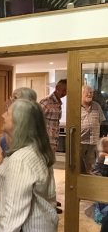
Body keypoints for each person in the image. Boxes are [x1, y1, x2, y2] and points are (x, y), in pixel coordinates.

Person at [0, 99, 58, 232]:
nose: (2, 115)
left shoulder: (21, 159)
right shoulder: (34, 150)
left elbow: (15, 210)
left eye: (8, 113)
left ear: (19, 122)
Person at [40, 79, 67, 214]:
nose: (65, 93)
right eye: (63, 90)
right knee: (45, 174)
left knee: (50, 173)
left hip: (53, 144)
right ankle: (48, 204)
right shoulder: (46, 102)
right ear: (56, 87)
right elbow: (36, 121)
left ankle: (51, 199)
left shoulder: (58, 103)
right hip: (45, 144)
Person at [0, 87, 37, 165]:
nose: (11, 100)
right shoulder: (10, 117)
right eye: (12, 97)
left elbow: (12, 145)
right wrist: (1, 156)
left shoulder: (27, 122)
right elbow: (4, 139)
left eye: (15, 98)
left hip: (17, 164)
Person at [81, 85, 106, 174]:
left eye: (91, 92)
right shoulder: (76, 106)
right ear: (81, 94)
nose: (89, 94)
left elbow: (100, 121)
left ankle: (88, 183)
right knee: (77, 166)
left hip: (93, 142)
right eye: (87, 92)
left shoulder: (97, 106)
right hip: (80, 141)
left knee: (91, 167)